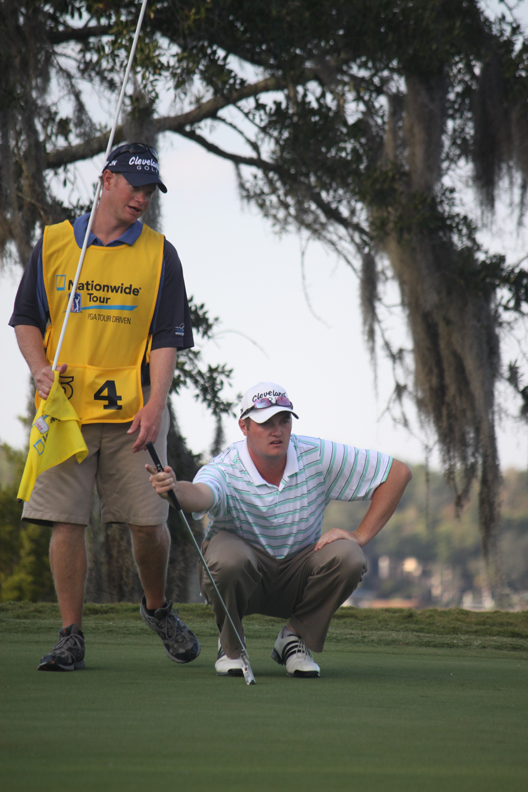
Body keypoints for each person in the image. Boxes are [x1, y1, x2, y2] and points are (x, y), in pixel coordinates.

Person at [9, 142, 201, 671]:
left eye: (150, 191)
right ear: (107, 180)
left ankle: (157, 608)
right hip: (65, 409)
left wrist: (156, 403)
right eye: (135, 187)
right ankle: (70, 635)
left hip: (133, 412)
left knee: (149, 522)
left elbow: (167, 338)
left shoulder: (160, 254)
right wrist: (38, 367)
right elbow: (26, 319)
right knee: (65, 521)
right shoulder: (54, 243)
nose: (142, 198)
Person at [148, 381, 412, 678]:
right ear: (244, 426)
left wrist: (360, 535)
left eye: (284, 420)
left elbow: (397, 473)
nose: (277, 431)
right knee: (228, 557)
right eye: (266, 423)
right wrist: (174, 490)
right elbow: (201, 494)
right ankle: (231, 646)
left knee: (350, 556)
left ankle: (294, 639)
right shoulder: (226, 467)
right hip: (243, 576)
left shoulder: (315, 454)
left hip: (298, 575)